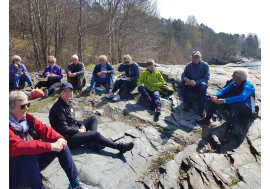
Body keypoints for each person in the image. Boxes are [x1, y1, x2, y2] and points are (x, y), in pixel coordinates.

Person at [9, 91, 88, 189]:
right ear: (10, 108)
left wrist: (58, 138)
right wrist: (49, 146)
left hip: (31, 167)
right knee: (25, 155)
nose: (27, 108)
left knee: (61, 144)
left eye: (27, 104)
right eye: (22, 106)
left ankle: (74, 183)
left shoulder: (28, 119)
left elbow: (46, 130)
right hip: (11, 174)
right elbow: (17, 147)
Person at [49, 82, 134, 153]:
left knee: (94, 118)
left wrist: (81, 124)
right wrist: (79, 130)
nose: (68, 93)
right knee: (95, 134)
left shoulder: (68, 103)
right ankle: (119, 147)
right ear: (60, 92)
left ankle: (92, 141)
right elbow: (63, 130)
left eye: (70, 91)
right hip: (66, 138)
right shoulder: (58, 109)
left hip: (73, 129)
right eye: (65, 91)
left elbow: (73, 120)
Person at [195, 69, 256, 143]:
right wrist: (215, 96)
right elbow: (223, 90)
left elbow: (241, 98)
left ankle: (229, 130)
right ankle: (207, 119)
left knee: (235, 104)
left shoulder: (249, 86)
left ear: (238, 78)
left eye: (233, 75)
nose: (231, 76)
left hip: (248, 110)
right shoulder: (234, 83)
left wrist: (224, 100)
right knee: (216, 101)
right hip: (236, 107)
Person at [179, 51, 210, 117]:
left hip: (199, 85)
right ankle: (188, 102)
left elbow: (206, 78)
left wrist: (197, 82)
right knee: (181, 83)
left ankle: (201, 107)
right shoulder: (188, 65)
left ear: (200, 57)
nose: (196, 59)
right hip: (190, 84)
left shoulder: (205, 65)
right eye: (194, 57)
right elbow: (183, 75)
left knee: (204, 85)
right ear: (192, 58)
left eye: (197, 57)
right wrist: (186, 80)